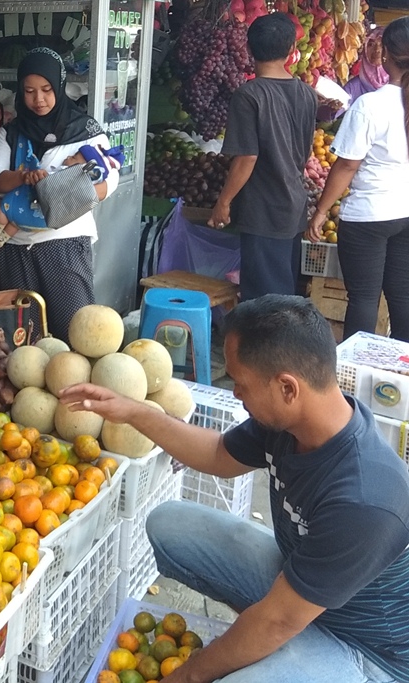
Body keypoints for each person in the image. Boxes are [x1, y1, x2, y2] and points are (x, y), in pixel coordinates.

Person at [60, 295, 409, 683]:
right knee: (169, 524)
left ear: (288, 388)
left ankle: (282, 650)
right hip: (300, 590)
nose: (236, 394)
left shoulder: (365, 499)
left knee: (238, 669)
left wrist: (188, 676)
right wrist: (133, 411)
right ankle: (272, 643)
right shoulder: (290, 421)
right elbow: (218, 454)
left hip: (371, 652)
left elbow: (278, 620)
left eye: (241, 384)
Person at [0, 47, 119, 341]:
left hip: (65, 244)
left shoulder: (85, 130)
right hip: (16, 245)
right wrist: (21, 177)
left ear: (59, 86)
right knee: (22, 336)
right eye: (29, 91)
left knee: (74, 333)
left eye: (46, 89)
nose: (38, 99)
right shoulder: (13, 131)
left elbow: (110, 179)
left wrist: (66, 190)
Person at [307, 18, 409, 342]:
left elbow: (347, 166)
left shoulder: (371, 105)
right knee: (402, 296)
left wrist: (321, 211)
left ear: (386, 56)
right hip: (405, 212)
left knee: (364, 299)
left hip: (368, 215)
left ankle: (354, 381)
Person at [208, 13, 317, 301]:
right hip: (292, 206)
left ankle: (267, 347)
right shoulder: (307, 93)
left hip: (264, 210)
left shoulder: (249, 95)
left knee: (264, 300)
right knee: (283, 292)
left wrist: (223, 202)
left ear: (248, 48)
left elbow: (247, 157)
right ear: (292, 51)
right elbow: (305, 153)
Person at [0, 144, 122, 244]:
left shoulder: (69, 175)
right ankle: (0, 239)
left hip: (62, 236)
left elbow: (109, 181)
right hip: (30, 231)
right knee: (15, 222)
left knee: (7, 209)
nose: (68, 156)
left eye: (74, 157)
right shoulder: (11, 130)